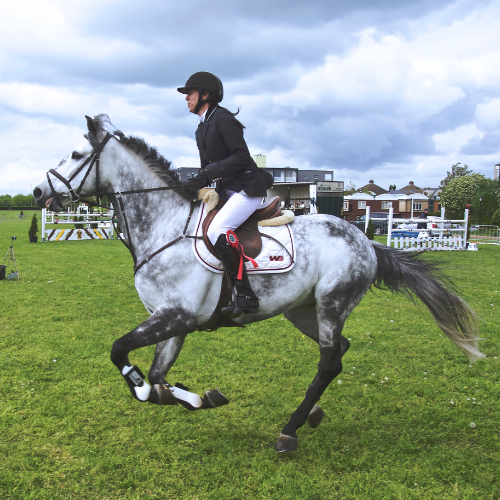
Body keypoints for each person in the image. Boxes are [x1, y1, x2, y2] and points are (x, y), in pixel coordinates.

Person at [178, 71, 273, 318]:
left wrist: (208, 172)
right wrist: (194, 182)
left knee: (216, 230)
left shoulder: (223, 119)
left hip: (247, 189)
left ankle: (245, 294)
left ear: (205, 95)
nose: (186, 97)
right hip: (227, 191)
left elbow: (241, 157)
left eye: (190, 93)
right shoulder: (202, 128)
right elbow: (208, 169)